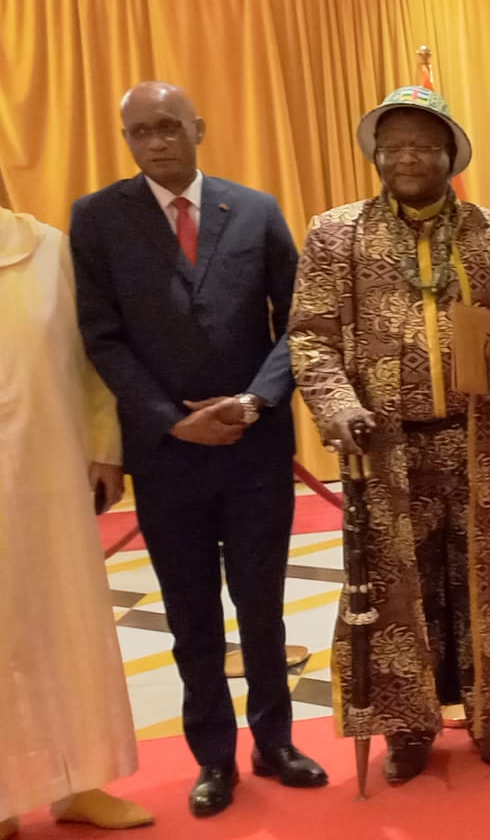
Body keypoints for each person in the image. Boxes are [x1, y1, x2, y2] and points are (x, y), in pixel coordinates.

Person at [291, 85, 490, 781]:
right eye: (394, 147)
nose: (408, 158)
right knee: (396, 592)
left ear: (451, 156)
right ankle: (407, 728)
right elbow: (310, 335)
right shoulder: (336, 235)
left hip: (487, 444)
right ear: (376, 156)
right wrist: (338, 405)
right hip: (385, 449)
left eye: (423, 146)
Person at [71, 81, 326, 817]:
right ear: (127, 139)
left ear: (198, 128)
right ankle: (213, 757)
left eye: (168, 126)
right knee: (190, 615)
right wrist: (166, 420)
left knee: (261, 605)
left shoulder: (255, 210)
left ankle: (275, 742)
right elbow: (101, 337)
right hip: (168, 454)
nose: (156, 142)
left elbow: (300, 321)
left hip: (253, 445)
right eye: (140, 131)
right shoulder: (97, 218)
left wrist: (255, 400)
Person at [0, 206, 153, 836]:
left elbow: (91, 363)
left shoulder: (49, 251)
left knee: (65, 625)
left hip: (49, 471)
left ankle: (79, 782)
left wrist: (105, 449)